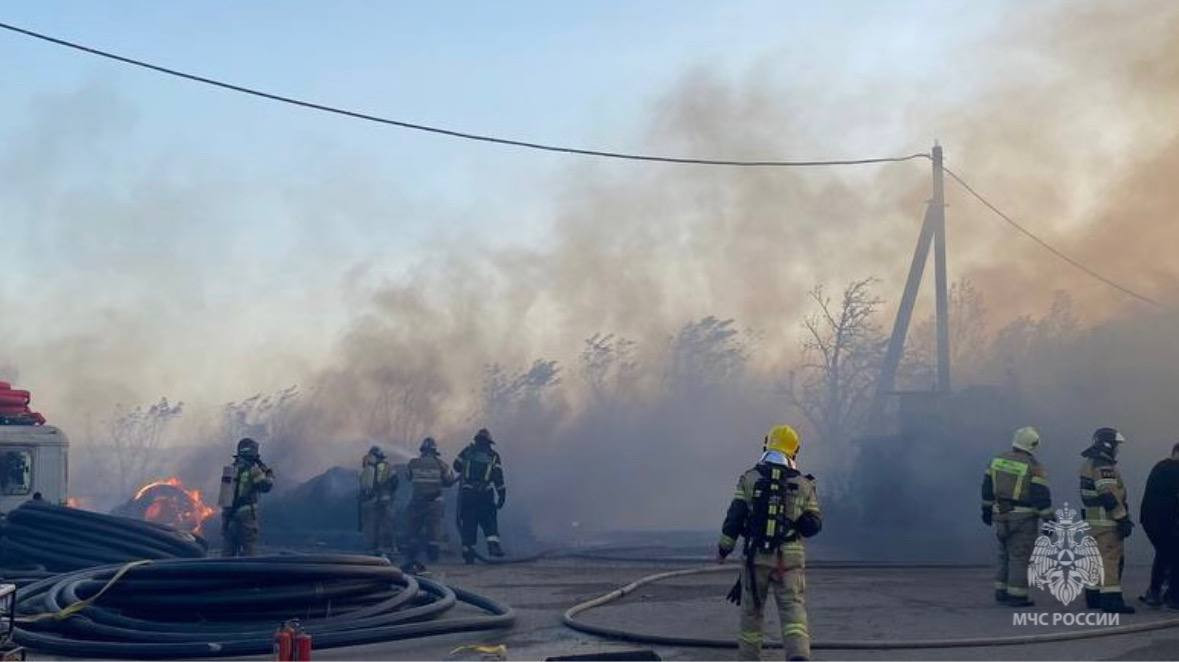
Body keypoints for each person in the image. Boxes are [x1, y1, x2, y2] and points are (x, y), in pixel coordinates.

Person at [717, 424, 822, 662]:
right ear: (794, 452)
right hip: (790, 561)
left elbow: (735, 517)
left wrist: (724, 549)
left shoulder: (750, 478)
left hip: (757, 559)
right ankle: (798, 656)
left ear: (767, 445)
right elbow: (814, 524)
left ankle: (749, 658)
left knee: (751, 614)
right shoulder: (805, 485)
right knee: (793, 611)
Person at [980, 426, 1053, 606]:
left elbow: (987, 488)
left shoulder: (996, 460)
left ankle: (1001, 591)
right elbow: (1040, 495)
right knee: (1019, 556)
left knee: (1004, 554)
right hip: (1023, 518)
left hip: (1000, 515)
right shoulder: (1034, 466)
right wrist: (1049, 519)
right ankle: (1017, 595)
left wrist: (986, 510)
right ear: (1033, 445)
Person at [1079, 427, 1136, 614]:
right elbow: (1109, 495)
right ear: (1107, 445)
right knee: (1110, 560)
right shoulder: (1104, 467)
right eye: (1115, 445)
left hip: (1093, 523)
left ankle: (1094, 597)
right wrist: (1122, 519)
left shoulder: (1090, 463)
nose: (1117, 449)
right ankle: (1111, 601)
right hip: (1107, 524)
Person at [403, 437, 457, 572]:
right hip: (434, 503)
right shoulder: (442, 465)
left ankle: (411, 557)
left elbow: (408, 477)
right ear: (434, 451)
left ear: (422, 450)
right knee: (434, 531)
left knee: (413, 530)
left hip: (417, 502)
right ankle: (432, 558)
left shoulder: (413, 463)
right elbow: (449, 482)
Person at [453, 428, 506, 564]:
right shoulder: (493, 456)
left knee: (469, 522)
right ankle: (493, 546)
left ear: (476, 440)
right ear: (489, 442)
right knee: (489, 520)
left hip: (468, 493)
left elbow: (456, 466)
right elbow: (498, 477)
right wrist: (501, 495)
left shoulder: (467, 451)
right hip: (485, 494)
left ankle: (468, 552)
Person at [1139, 442, 1179, 608]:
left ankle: (1155, 593)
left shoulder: (1160, 467)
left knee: (1164, 554)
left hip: (1151, 522)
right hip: (1167, 523)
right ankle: (1173, 598)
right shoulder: (1175, 470)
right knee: (1175, 556)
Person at [221, 438, 274, 557]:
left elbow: (224, 498)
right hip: (247, 517)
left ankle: (223, 574)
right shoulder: (253, 470)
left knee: (227, 553)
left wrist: (225, 522)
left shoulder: (230, 470)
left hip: (229, 517)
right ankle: (249, 575)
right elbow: (266, 486)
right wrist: (269, 474)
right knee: (250, 552)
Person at [358, 445, 398, 557]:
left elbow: (363, 487)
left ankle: (372, 551)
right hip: (385, 502)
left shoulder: (366, 469)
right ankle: (388, 550)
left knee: (370, 527)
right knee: (386, 525)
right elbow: (395, 483)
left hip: (369, 503)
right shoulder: (387, 467)